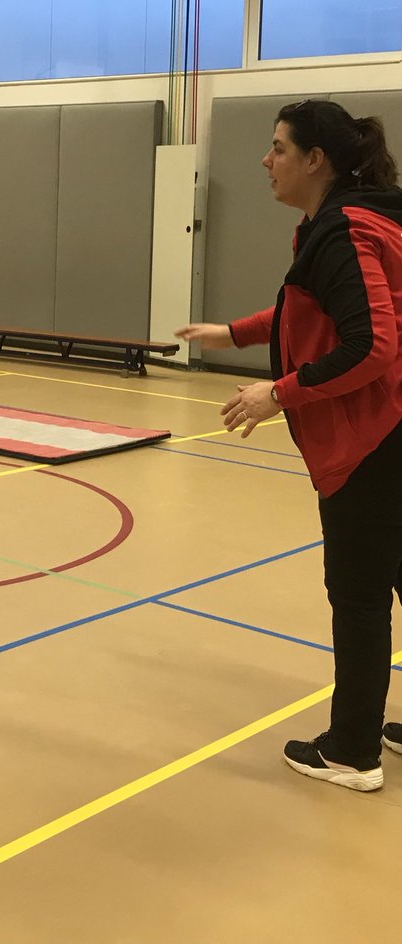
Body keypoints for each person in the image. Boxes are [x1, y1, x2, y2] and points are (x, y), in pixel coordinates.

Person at [178, 98, 402, 792]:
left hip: (375, 438)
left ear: (315, 160)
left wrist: (276, 392)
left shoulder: (341, 231)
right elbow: (318, 305)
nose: (265, 161)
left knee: (358, 594)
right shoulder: (358, 218)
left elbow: (371, 342)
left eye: (278, 148)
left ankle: (350, 751)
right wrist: (233, 333)